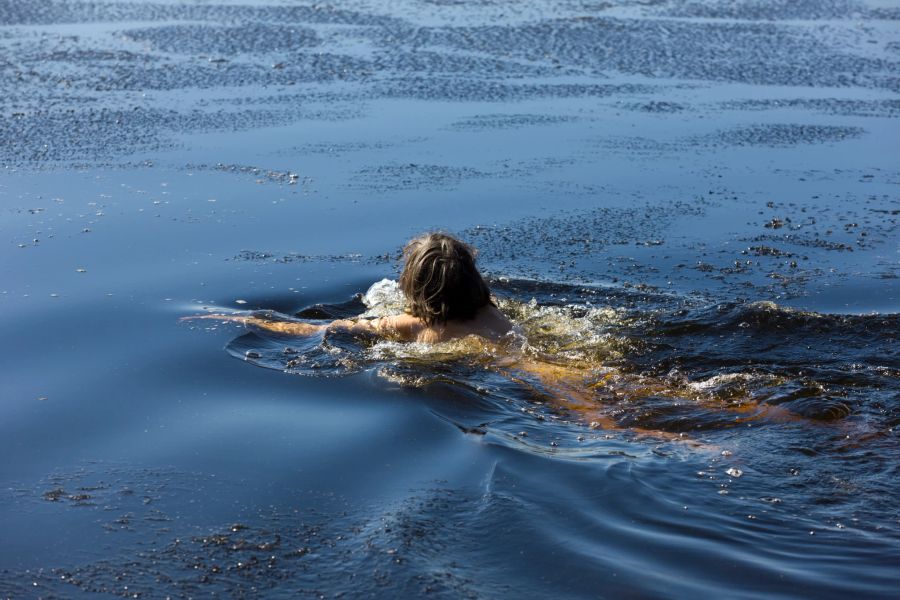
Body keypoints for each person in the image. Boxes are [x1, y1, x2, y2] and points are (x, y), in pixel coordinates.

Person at [193, 233, 516, 343]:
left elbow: (316, 330)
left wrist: (245, 320)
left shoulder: (412, 324)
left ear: (413, 285)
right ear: (473, 279)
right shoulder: (491, 311)